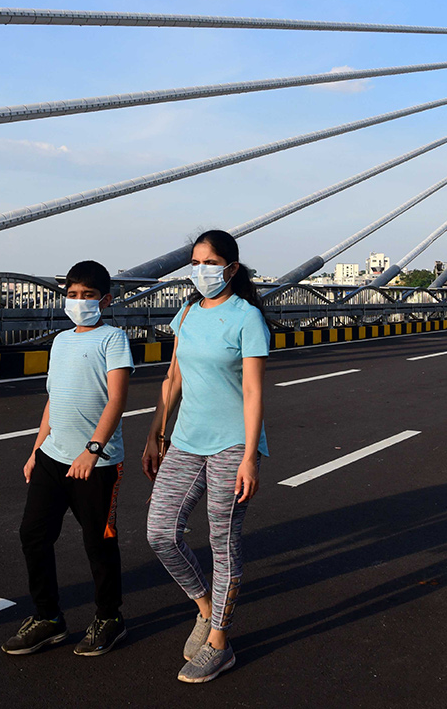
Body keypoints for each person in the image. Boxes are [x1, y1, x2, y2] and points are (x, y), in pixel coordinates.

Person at [144, 230, 269, 684]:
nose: (201, 271)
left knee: (223, 540)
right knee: (160, 532)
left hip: (233, 442)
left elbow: (253, 391)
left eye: (210, 262)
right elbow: (172, 378)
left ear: (231, 269)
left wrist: (250, 456)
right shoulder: (186, 314)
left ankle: (220, 642)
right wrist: (155, 430)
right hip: (187, 439)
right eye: (195, 262)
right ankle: (204, 609)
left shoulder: (246, 318)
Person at [3, 261, 134, 657]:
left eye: (88, 295)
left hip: (97, 462)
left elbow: (117, 399)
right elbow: (53, 399)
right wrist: (35, 448)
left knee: (98, 543)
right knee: (34, 535)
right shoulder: (60, 341)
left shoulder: (113, 339)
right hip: (52, 457)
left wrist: (92, 450)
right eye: (72, 295)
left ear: (105, 300)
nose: (79, 302)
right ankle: (48, 618)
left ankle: (109, 617)